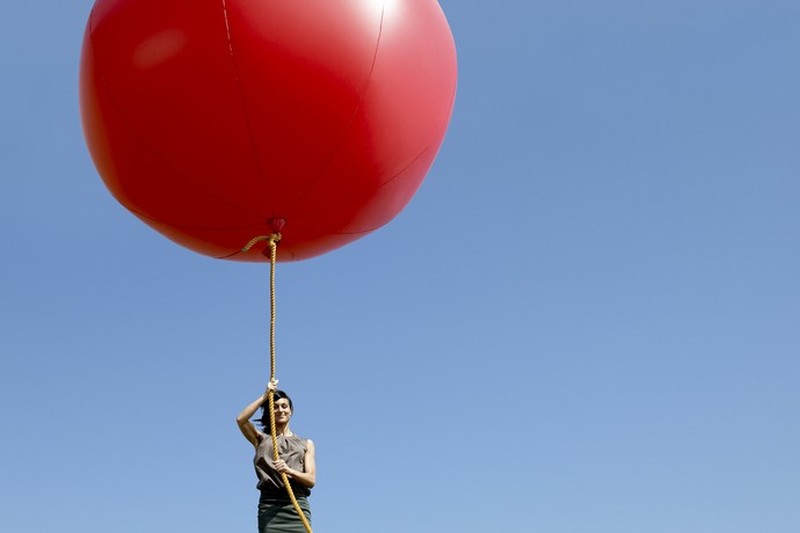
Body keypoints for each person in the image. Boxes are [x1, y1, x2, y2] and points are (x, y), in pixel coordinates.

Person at [237, 382, 316, 532]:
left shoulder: (306, 444)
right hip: (270, 506)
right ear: (270, 412)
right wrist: (265, 396)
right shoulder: (261, 439)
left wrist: (289, 471)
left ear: (291, 411)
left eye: (284, 406)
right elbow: (241, 420)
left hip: (296, 506)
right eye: (275, 406)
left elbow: (311, 480)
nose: (280, 410)